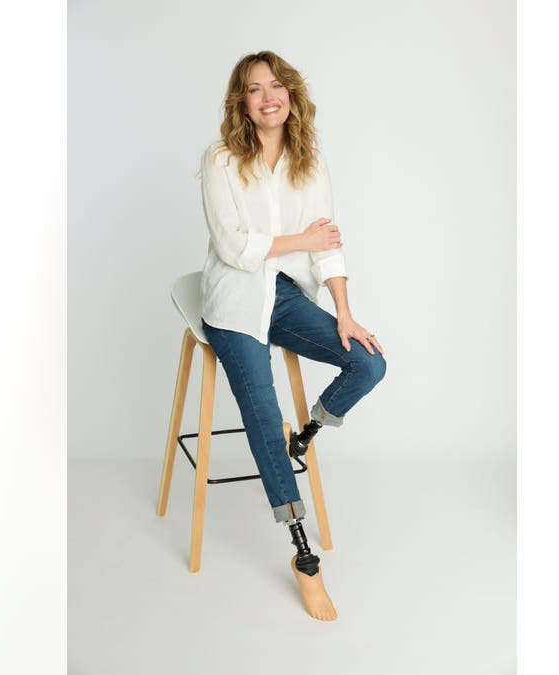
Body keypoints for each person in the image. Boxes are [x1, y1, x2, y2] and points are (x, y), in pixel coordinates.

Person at [197, 50, 387, 621]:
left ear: (289, 94)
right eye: (254, 89)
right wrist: (299, 241)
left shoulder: (310, 162)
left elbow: (326, 242)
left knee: (369, 364)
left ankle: (303, 437)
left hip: (283, 296)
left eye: (275, 85)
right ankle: (304, 557)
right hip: (232, 300)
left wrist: (345, 313)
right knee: (261, 408)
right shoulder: (222, 159)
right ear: (243, 103)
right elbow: (233, 247)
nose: (267, 96)